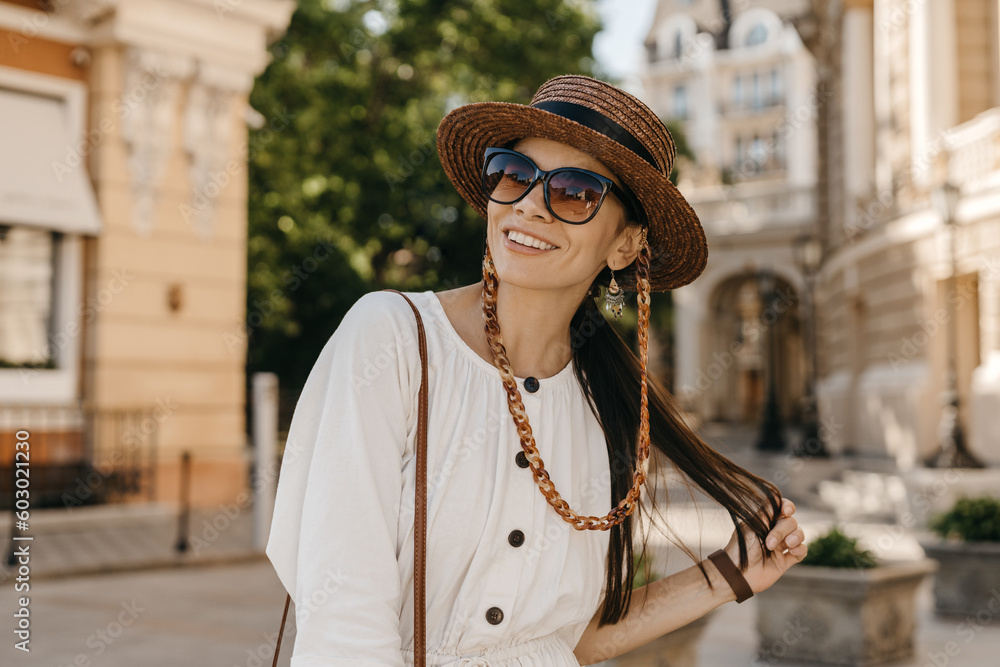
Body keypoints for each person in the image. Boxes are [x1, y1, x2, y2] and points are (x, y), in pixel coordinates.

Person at [266, 74, 806, 667]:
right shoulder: (392, 338)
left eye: (575, 192)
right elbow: (343, 621)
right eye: (514, 175)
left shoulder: (606, 406)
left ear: (625, 246)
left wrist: (729, 572)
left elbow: (565, 642)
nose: (527, 204)